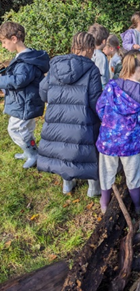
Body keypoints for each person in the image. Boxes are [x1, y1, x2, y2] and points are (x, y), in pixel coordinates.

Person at [96, 50, 140, 214]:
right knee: (133, 175)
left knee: (106, 173)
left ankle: (104, 203)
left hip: (108, 141)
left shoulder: (111, 86)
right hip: (130, 144)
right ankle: (138, 206)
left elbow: (99, 107)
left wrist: (108, 121)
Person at [37, 32, 103, 196]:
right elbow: (96, 100)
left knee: (63, 149)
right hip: (84, 119)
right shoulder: (91, 69)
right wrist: (104, 118)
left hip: (57, 117)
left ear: (73, 47)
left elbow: (43, 91)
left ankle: (67, 184)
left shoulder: (55, 66)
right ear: (89, 49)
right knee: (89, 152)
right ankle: (93, 189)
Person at [0, 21, 49, 168]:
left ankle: (33, 154)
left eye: (4, 42)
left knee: (15, 129)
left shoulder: (26, 61)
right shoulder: (26, 57)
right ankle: (30, 151)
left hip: (25, 103)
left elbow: (19, 80)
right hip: (25, 101)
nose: (3, 46)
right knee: (26, 129)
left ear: (14, 39)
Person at [87, 23, 110, 88]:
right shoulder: (101, 56)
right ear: (104, 41)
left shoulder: (88, 52)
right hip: (100, 88)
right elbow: (101, 76)